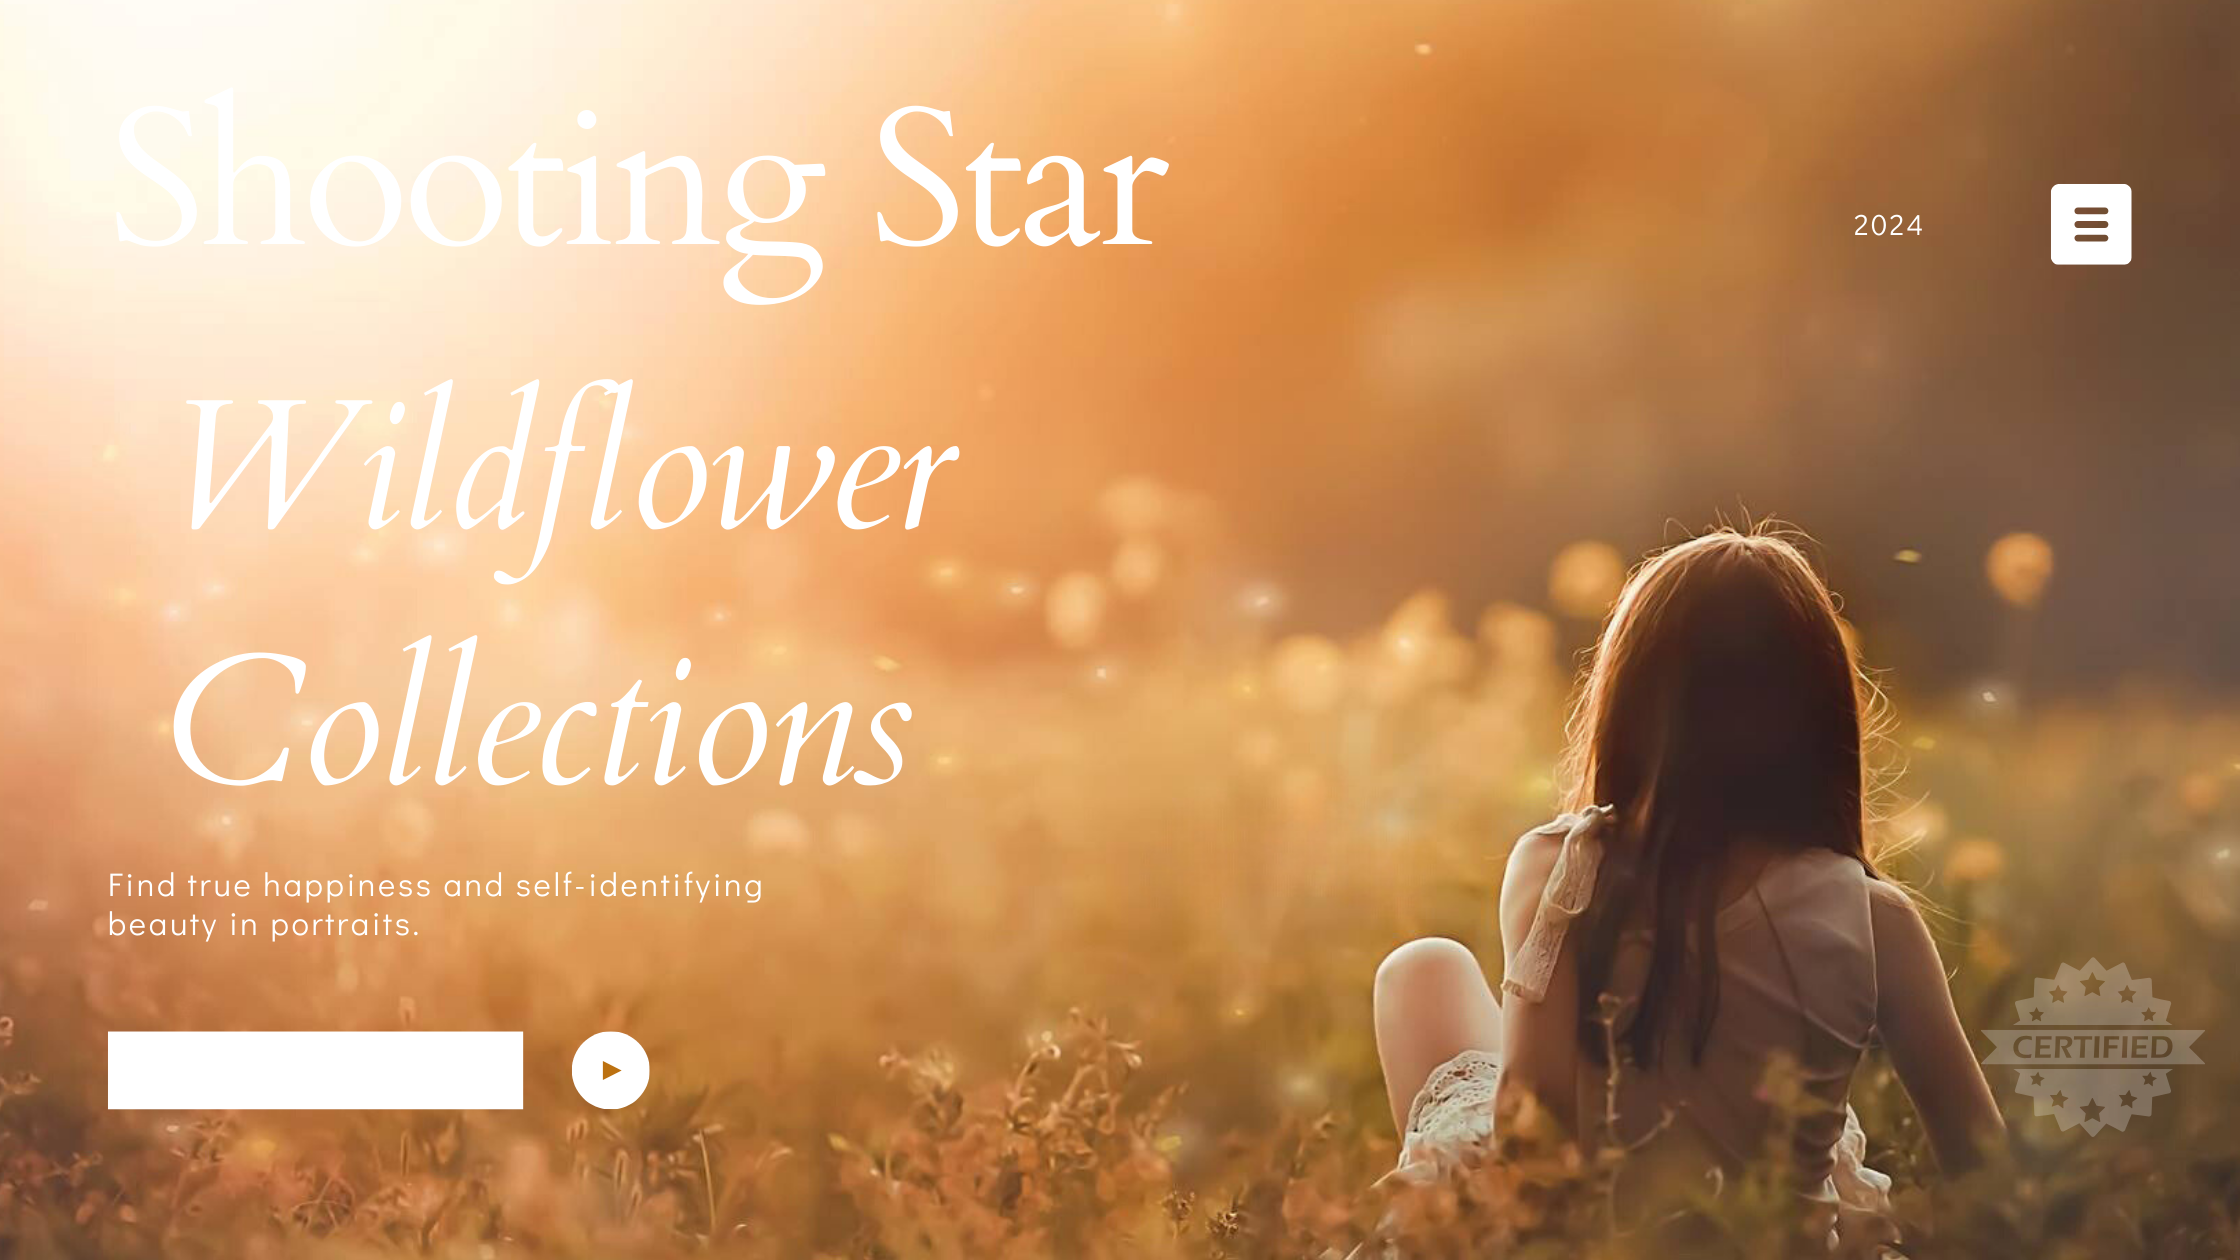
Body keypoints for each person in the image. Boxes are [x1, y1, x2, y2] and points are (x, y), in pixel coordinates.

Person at [1371, 528, 2006, 1248]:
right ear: (1822, 717)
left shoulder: (1563, 869)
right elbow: (1986, 1170)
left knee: (1423, 972)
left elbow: (1534, 1138)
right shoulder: (1873, 917)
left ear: (1630, 701)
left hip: (1593, 1242)